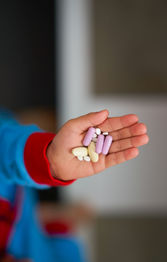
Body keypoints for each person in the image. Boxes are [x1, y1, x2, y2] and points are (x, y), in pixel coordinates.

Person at [0, 108, 149, 261]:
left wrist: (48, 158)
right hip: (29, 216)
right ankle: (57, 215)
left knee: (14, 130)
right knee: (76, 218)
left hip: (11, 169)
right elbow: (66, 247)